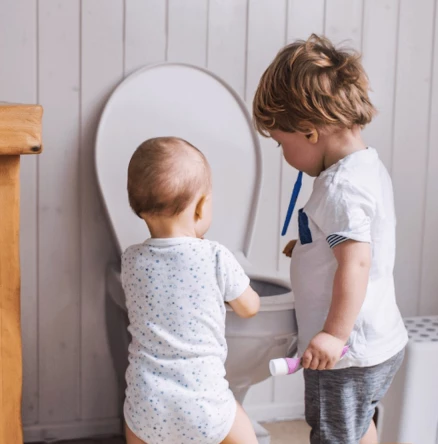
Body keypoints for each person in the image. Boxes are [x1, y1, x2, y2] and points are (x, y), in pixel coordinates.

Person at [253, 35, 408, 444]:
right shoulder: (367, 168)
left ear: (308, 133)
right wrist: (307, 249)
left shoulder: (340, 189)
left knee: (334, 434)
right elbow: (354, 244)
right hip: (377, 342)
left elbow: (355, 262)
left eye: (281, 143)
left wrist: (334, 336)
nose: (284, 154)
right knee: (356, 428)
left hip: (347, 353)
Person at [121, 137, 261, 444]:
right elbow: (249, 307)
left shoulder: (131, 260)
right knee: (242, 430)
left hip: (146, 404)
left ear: (139, 209)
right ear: (200, 207)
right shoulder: (215, 256)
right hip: (204, 404)